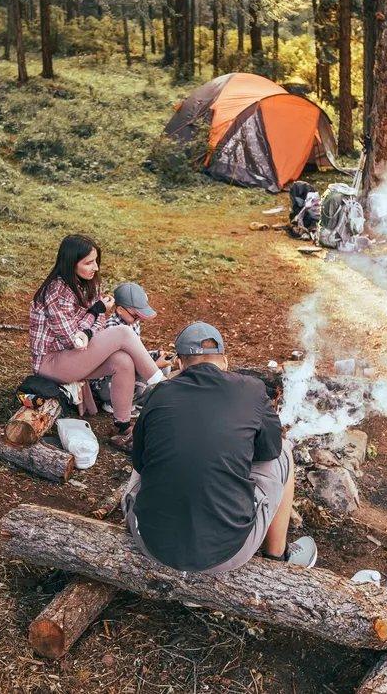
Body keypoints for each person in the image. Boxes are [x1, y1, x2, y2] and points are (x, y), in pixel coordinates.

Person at [123, 321, 317, 574]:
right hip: (227, 552)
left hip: (150, 542)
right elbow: (270, 450)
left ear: (180, 365)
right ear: (224, 361)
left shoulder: (159, 392)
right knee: (284, 452)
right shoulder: (251, 389)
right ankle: (276, 557)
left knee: (151, 453)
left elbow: (139, 462)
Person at [29, 235, 165, 448]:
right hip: (51, 362)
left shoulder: (89, 285)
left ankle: (122, 427)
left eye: (95, 261)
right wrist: (96, 311)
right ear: (70, 263)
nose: (95, 268)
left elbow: (97, 327)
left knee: (123, 361)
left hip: (74, 356)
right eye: (88, 263)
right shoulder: (57, 291)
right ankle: (163, 387)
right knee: (122, 332)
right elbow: (71, 338)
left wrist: (93, 319)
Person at [91, 283, 174, 414]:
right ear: (120, 310)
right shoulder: (112, 329)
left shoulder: (132, 322)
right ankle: (115, 403)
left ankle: (137, 399)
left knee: (164, 365)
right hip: (107, 384)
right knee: (155, 369)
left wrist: (156, 355)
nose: (138, 319)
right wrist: (155, 365)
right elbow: (120, 366)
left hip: (127, 370)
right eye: (136, 316)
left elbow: (137, 354)